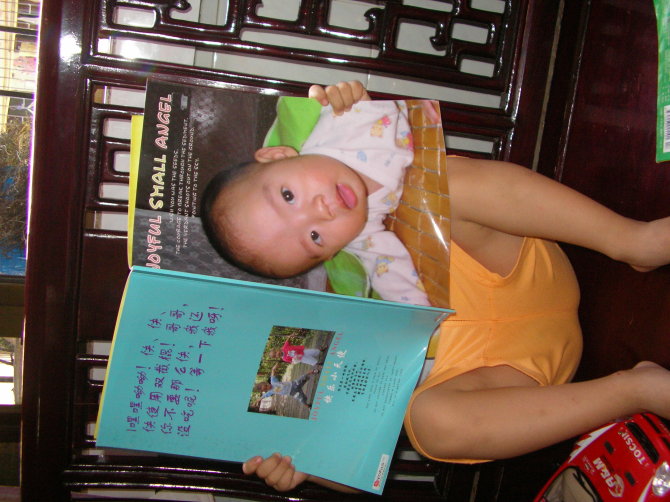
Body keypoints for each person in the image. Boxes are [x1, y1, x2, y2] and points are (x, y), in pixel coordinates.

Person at [240, 81, 670, 494]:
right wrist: (308, 465)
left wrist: (353, 112)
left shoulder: (329, 188)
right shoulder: (273, 362)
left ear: (277, 157)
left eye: (289, 199)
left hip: (510, 270)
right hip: (505, 372)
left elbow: (380, 147)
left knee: (438, 187)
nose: (315, 214)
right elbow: (363, 453)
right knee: (430, 426)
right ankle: (635, 390)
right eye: (309, 238)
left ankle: (634, 241)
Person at [200, 84, 430, 305]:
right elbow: (395, 280)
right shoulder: (363, 235)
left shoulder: (339, 122)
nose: (321, 211)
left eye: (289, 196)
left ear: (278, 156)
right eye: (314, 237)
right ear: (332, 253)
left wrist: (350, 95)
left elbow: (378, 94)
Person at [253, 363, 319, 409]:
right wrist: (256, 401)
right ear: (265, 390)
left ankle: (313, 371)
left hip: (294, 384)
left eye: (266, 385)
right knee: (302, 399)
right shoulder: (270, 392)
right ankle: (308, 406)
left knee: (303, 377)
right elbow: (263, 396)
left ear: (266, 383)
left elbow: (272, 372)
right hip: (292, 393)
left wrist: (274, 367)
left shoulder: (273, 381)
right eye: (266, 388)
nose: (268, 387)